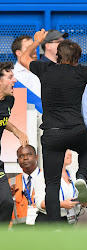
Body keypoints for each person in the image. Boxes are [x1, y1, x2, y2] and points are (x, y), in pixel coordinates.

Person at [19, 29, 87, 222]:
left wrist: (37, 41)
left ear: (58, 56)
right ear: (77, 59)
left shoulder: (45, 68)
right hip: (76, 130)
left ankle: (55, 227)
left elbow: (23, 59)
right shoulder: (81, 71)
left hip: (52, 134)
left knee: (52, 185)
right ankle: (81, 175)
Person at [0, 62, 28, 223]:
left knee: (6, 202)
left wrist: (16, 131)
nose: (15, 81)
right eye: (10, 77)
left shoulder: (9, 100)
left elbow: (2, 120)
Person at [34, 150, 87, 224]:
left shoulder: (73, 173)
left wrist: (83, 202)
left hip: (69, 221)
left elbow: (78, 196)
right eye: (66, 150)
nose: (70, 153)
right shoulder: (43, 175)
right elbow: (40, 203)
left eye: (70, 150)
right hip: (48, 222)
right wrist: (62, 204)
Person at [8, 145, 40, 226]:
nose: (25, 158)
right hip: (18, 231)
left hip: (42, 227)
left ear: (36, 157)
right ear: (17, 160)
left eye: (29, 154)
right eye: (21, 156)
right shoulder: (10, 182)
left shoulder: (47, 179)